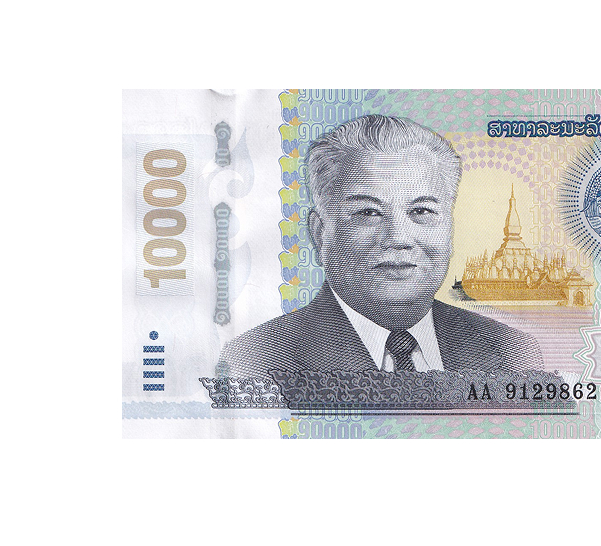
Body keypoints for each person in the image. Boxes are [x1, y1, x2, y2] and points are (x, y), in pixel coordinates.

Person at [218, 115, 543, 376]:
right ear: (320, 233)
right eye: (368, 213)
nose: (398, 238)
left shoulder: (510, 352)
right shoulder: (256, 359)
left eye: (421, 211)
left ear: (450, 227)